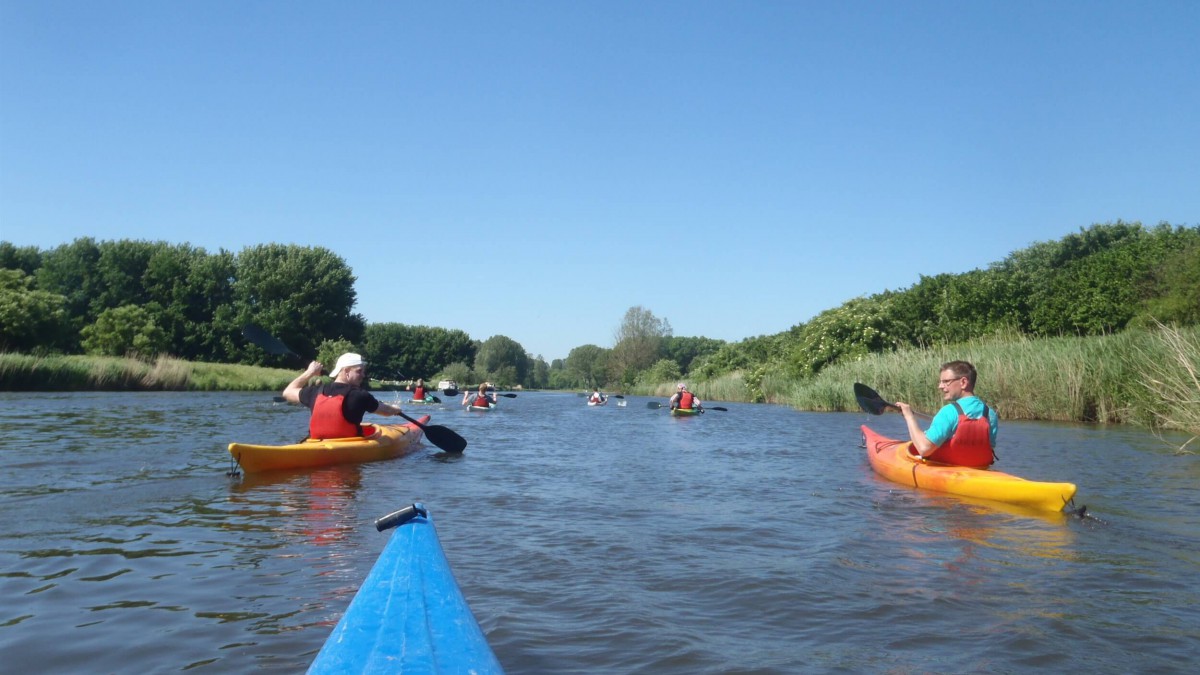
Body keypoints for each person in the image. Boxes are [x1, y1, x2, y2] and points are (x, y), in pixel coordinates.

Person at [895, 360, 999, 468]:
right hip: (978, 470)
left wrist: (909, 417)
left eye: (946, 381)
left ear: (963, 382)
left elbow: (924, 449)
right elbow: (985, 448)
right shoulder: (990, 414)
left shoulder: (948, 411)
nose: (940, 386)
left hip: (947, 469)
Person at [282, 353, 407, 439]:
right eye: (359, 371)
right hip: (348, 445)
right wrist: (396, 409)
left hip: (316, 444)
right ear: (346, 371)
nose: (363, 375)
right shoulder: (360, 395)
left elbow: (288, 392)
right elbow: (385, 411)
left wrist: (309, 372)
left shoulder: (315, 392)